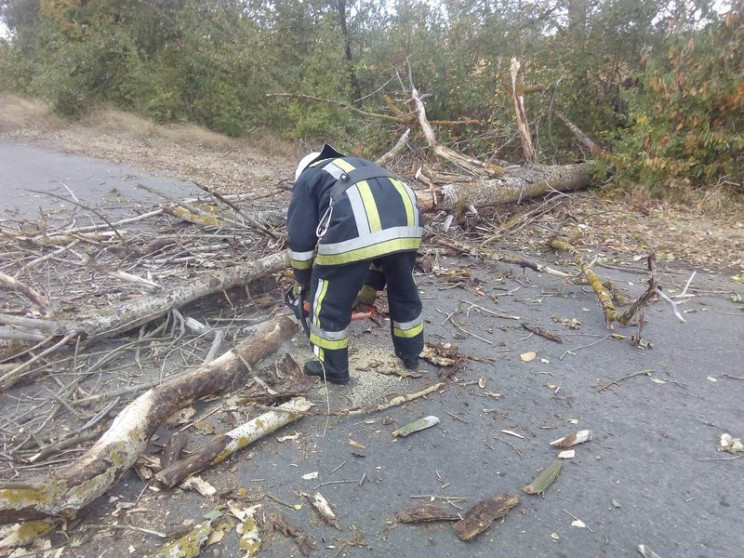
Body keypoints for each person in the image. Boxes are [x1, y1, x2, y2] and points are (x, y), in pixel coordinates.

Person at [286, 144, 424, 385]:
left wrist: (304, 281)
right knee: (403, 288)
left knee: (328, 297)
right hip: (408, 217)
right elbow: (377, 247)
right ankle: (411, 354)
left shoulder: (307, 178)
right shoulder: (355, 164)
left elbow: (300, 240)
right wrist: (369, 287)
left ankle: (332, 368)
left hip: (357, 219)